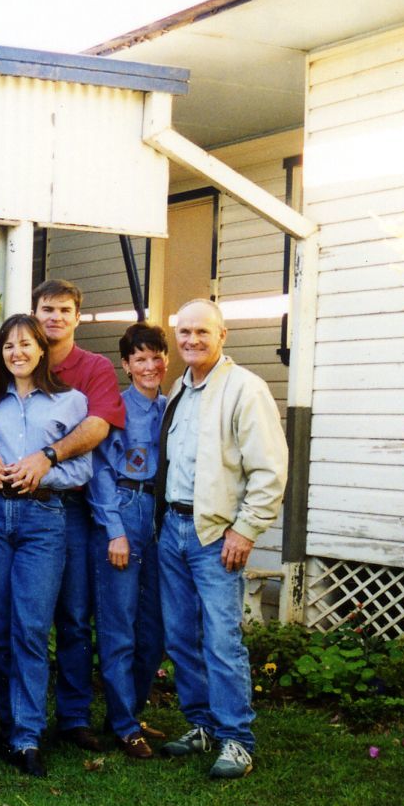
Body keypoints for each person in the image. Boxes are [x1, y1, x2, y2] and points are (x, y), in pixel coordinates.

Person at [0, 279, 122, 751]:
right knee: (0, 626)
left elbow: (94, 434)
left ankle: (56, 724)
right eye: (45, 310)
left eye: (62, 311)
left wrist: (46, 463)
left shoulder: (82, 381)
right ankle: (13, 722)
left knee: (59, 620)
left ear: (75, 316)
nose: (54, 318)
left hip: (52, 512)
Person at [156, 299, 286, 780]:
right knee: (181, 636)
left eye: (201, 332)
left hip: (216, 535)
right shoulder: (180, 391)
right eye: (184, 331)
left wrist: (246, 529)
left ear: (222, 335)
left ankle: (237, 739)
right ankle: (202, 725)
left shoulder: (245, 390)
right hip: (172, 529)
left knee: (221, 640)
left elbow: (269, 471)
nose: (191, 340)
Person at [87, 322, 170, 759]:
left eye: (157, 356)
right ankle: (122, 725)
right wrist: (114, 530)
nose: (150, 365)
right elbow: (100, 470)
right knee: (119, 623)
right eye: (140, 358)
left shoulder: (174, 408)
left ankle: (130, 711)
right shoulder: (116, 408)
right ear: (126, 364)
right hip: (124, 507)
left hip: (162, 515)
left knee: (154, 625)